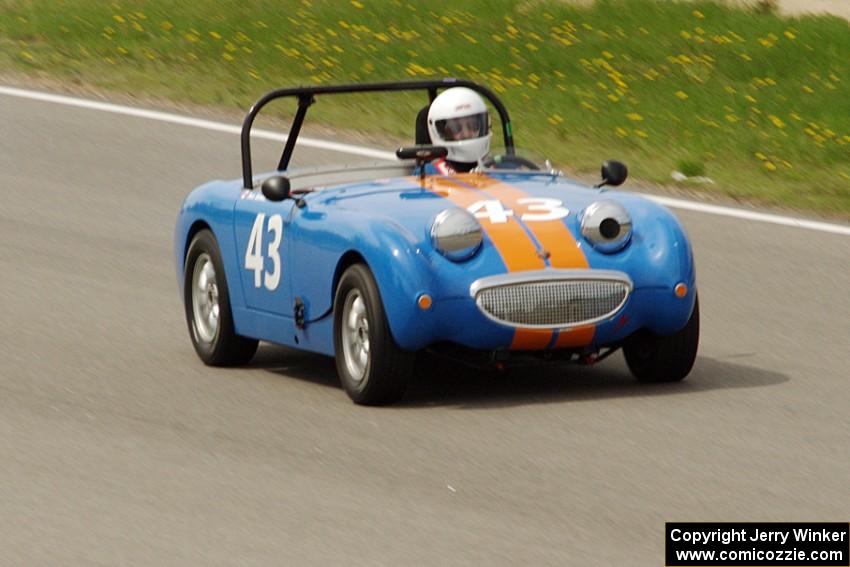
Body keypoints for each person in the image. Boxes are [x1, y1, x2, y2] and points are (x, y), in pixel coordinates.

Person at [426, 87, 491, 175]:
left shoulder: (494, 168)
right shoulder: (429, 173)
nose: (466, 133)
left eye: (473, 125)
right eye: (456, 128)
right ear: (442, 132)